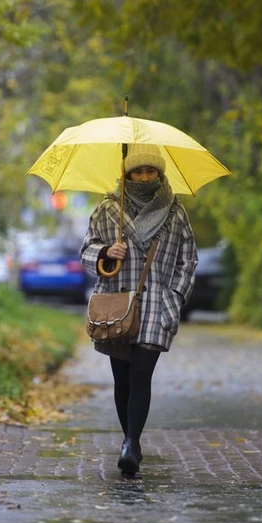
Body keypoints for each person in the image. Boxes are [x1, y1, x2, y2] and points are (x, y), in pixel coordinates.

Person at [80, 143, 198, 478]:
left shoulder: (175, 212)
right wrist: (106, 251)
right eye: (138, 171)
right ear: (127, 174)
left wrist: (174, 298)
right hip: (117, 305)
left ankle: (131, 442)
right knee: (122, 379)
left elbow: (188, 261)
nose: (144, 177)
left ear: (160, 174)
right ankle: (129, 440)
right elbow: (85, 251)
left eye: (151, 171)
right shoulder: (108, 209)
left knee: (141, 374)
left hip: (156, 306)